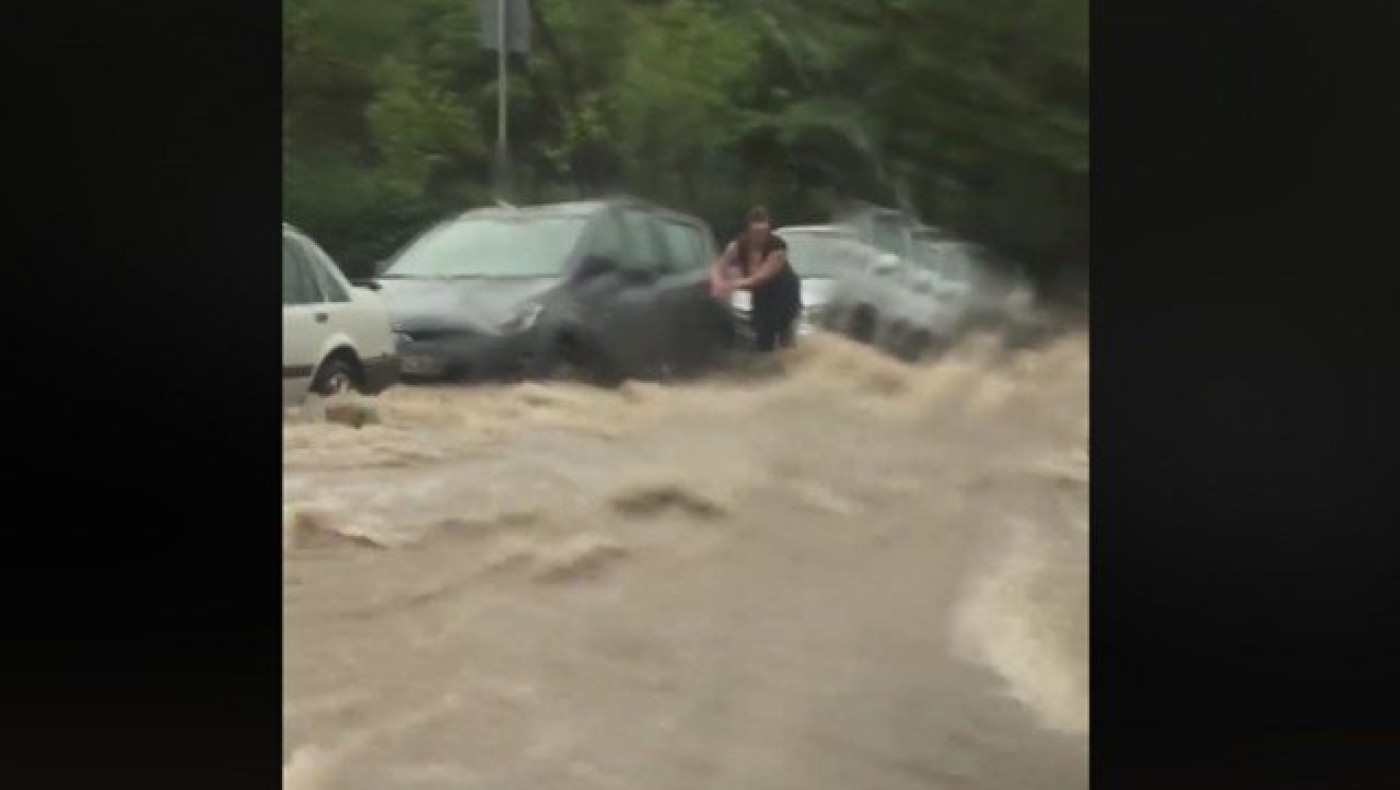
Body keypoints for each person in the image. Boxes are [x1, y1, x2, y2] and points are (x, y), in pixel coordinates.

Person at [710, 206, 802, 351]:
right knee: (763, 337)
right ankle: (764, 364)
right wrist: (717, 283)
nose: (760, 236)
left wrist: (731, 284)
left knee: (787, 338)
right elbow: (718, 265)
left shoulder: (777, 246)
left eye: (764, 232)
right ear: (748, 231)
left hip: (785, 294)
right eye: (756, 232)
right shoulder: (737, 245)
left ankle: (790, 363)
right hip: (761, 294)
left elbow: (761, 277)